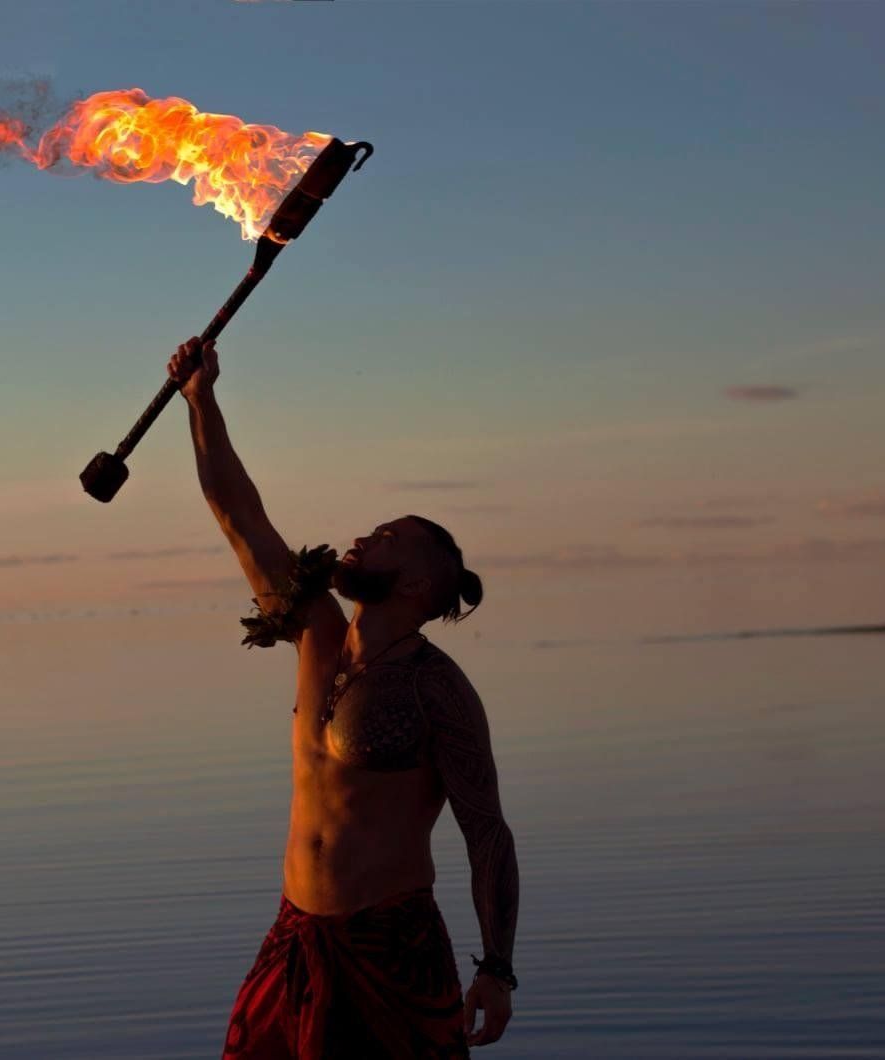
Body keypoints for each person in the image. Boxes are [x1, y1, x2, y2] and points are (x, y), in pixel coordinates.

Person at [167, 337, 520, 1058]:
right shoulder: (313, 632)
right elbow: (238, 515)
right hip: (296, 933)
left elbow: (486, 832)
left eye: (389, 538)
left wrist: (498, 968)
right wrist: (202, 402)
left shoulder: (437, 687)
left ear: (421, 584)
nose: (364, 536)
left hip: (389, 942)